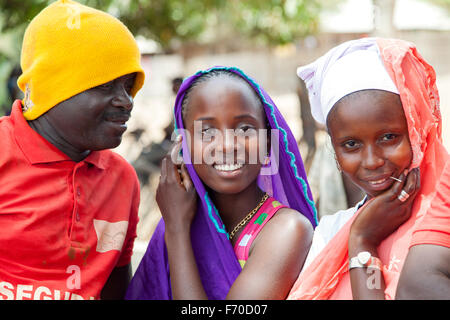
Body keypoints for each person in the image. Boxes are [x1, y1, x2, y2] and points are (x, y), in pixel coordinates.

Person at [125, 66, 317, 300]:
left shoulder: (287, 229)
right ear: (182, 146)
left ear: (268, 142)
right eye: (206, 131)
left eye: (245, 128)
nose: (227, 145)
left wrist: (176, 231)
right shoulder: (180, 220)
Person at [0, 0, 145, 300]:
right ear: (53, 88)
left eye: (129, 85)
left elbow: (116, 288)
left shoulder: (121, 178)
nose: (127, 101)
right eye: (106, 85)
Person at [287, 37, 449, 300]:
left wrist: (363, 242)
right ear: (335, 151)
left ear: (417, 130)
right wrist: (360, 236)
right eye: (351, 144)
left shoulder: (440, 228)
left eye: (389, 137)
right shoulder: (330, 233)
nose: (372, 160)